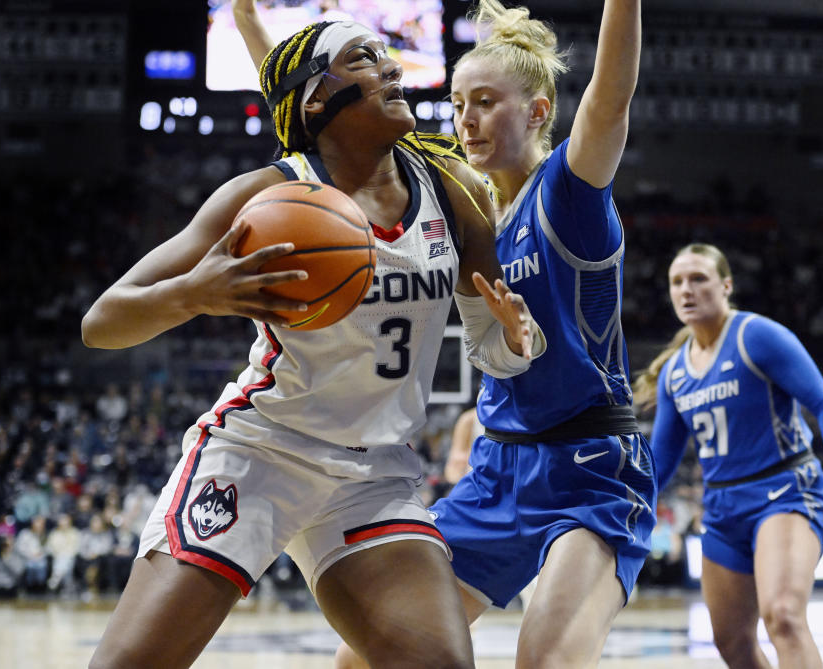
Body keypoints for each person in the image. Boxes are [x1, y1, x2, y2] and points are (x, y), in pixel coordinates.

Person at [82, 14, 544, 669]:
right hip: (261, 452)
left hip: (374, 472)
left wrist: (517, 337)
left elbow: (494, 350)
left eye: (387, 57)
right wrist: (193, 294)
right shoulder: (266, 195)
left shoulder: (452, 193)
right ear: (317, 99)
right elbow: (102, 321)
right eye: (363, 58)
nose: (390, 68)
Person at [232, 0, 655, 664]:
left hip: (589, 468)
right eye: (458, 104)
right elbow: (332, 125)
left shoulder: (567, 193)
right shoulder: (459, 204)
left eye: (485, 102)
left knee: (544, 659)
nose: (466, 119)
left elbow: (611, 97)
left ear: (539, 112)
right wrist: (246, 17)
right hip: (496, 470)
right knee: (364, 657)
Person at [633, 243, 823, 669]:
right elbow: (661, 462)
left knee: (784, 618)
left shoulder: (756, 336)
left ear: (726, 285)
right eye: (677, 282)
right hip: (722, 508)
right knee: (731, 644)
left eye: (699, 278)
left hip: (785, 491)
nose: (686, 290)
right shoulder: (674, 374)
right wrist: (628, 505)